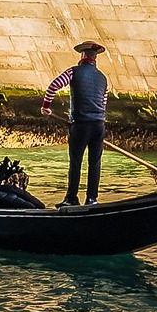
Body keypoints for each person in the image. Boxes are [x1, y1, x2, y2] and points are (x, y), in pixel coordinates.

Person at [42, 40, 109, 206]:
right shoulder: (103, 78)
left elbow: (53, 86)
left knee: (76, 162)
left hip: (81, 125)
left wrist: (46, 106)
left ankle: (71, 198)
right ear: (95, 58)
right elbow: (104, 103)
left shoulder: (73, 71)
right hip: (99, 125)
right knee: (95, 163)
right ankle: (92, 199)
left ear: (82, 55)